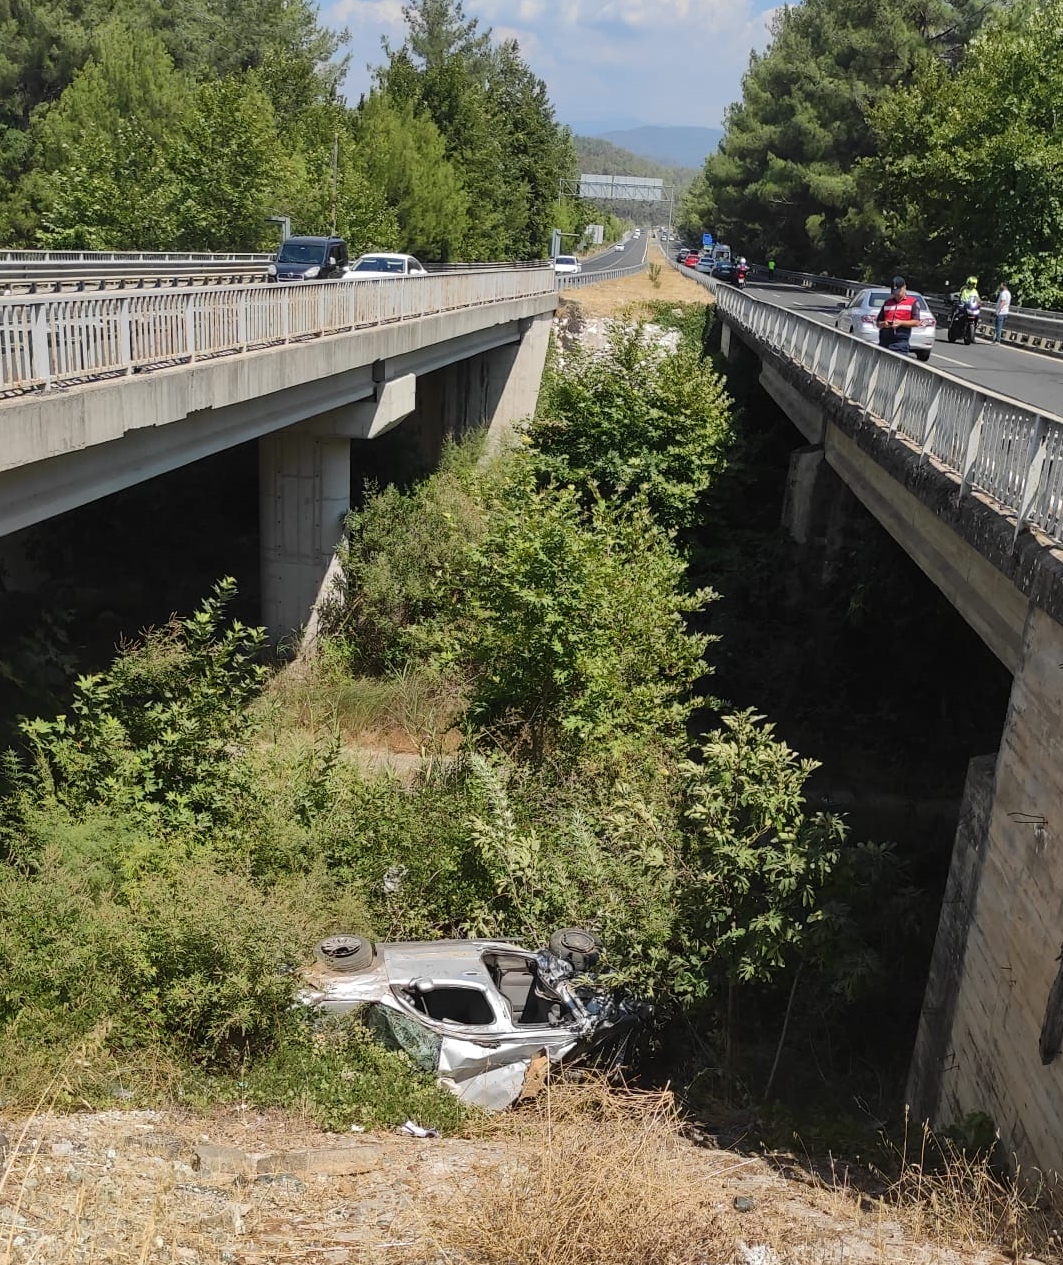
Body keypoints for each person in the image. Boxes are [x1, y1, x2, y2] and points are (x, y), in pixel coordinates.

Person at [876, 275, 922, 356]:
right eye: (894, 292)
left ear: (904, 287)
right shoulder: (887, 303)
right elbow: (878, 323)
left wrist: (900, 323)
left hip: (900, 343)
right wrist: (884, 324)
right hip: (884, 342)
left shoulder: (912, 302)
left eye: (898, 292)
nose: (896, 295)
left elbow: (916, 322)